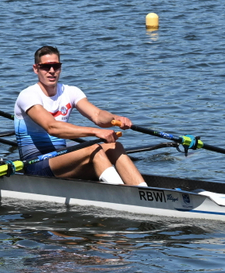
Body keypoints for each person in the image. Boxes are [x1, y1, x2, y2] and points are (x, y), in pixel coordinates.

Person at [14, 46, 146, 186]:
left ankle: (143, 191)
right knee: (92, 148)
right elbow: (52, 127)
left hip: (63, 158)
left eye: (56, 66)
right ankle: (123, 195)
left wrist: (115, 119)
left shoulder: (71, 91)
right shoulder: (28, 95)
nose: (52, 71)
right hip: (36, 164)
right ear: (36, 69)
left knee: (115, 147)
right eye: (46, 67)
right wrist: (95, 132)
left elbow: (97, 115)